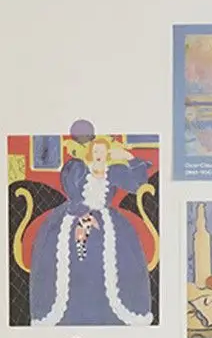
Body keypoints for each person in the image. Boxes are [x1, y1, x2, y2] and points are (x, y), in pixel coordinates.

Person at [29, 138, 153, 326]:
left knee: (119, 255)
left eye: (103, 152)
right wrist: (82, 213)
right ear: (90, 153)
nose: (99, 156)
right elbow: (70, 189)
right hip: (74, 216)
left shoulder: (113, 172)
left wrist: (128, 157)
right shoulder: (79, 169)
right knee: (73, 255)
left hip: (107, 220)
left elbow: (137, 183)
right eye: (96, 151)